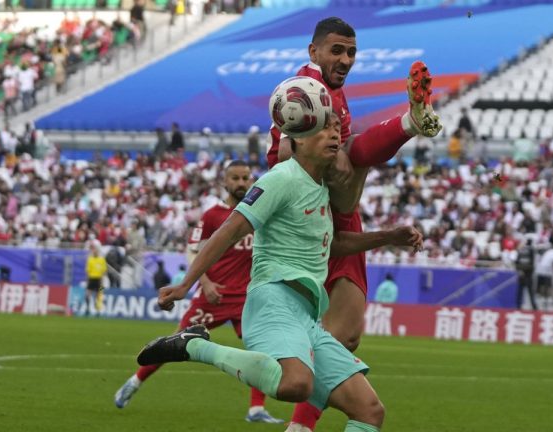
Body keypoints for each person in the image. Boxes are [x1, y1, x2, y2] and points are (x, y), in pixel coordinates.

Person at [136, 114, 423, 432]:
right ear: (298, 139)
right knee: (295, 384)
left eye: (336, 129)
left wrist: (388, 236)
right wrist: (186, 284)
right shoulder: (281, 178)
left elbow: (334, 244)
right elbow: (231, 229)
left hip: (307, 315)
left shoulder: (320, 189)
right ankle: (194, 346)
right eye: (324, 129)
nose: (335, 135)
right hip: (273, 301)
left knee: (368, 410)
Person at [266, 18, 440, 430]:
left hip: (336, 215)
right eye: (337, 51)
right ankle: (408, 123)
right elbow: (280, 155)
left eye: (351, 52)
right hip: (313, 216)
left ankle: (299, 426)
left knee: (345, 337)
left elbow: (346, 150)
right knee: (332, 341)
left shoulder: (332, 92)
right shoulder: (304, 90)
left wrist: (337, 154)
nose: (345, 59)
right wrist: (325, 156)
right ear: (314, 52)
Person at [115, 161, 284, 422]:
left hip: (247, 298)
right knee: (176, 342)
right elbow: (193, 250)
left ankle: (256, 409)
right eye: (235, 178)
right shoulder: (213, 216)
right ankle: (135, 382)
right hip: (212, 296)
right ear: (224, 182)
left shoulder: (258, 213)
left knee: (262, 348)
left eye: (245, 178)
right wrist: (205, 283)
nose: (241, 183)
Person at [515, 238, 537, 310]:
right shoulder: (527, 251)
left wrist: (520, 270)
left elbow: (517, 262)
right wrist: (521, 271)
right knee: (525, 291)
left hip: (525, 274)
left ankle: (520, 306)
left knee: (524, 291)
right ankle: (531, 306)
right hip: (526, 274)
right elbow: (532, 263)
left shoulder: (524, 250)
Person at [85, 245, 107, 315]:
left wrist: (103, 282)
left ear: (98, 251)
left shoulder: (102, 260)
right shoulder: (90, 259)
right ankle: (87, 308)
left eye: (96, 250)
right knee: (87, 294)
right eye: (94, 250)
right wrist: (87, 281)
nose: (95, 252)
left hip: (99, 280)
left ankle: (98, 310)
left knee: (99, 294)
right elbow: (88, 271)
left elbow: (104, 271)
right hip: (91, 279)